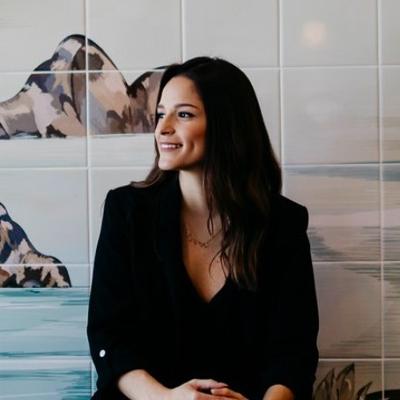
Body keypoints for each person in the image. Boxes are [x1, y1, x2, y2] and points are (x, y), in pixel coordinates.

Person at [87, 57, 319, 400]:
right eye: (160, 114)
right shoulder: (127, 211)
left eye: (183, 115)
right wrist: (167, 398)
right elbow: (109, 336)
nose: (162, 128)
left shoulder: (283, 224)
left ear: (227, 126)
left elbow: (293, 354)